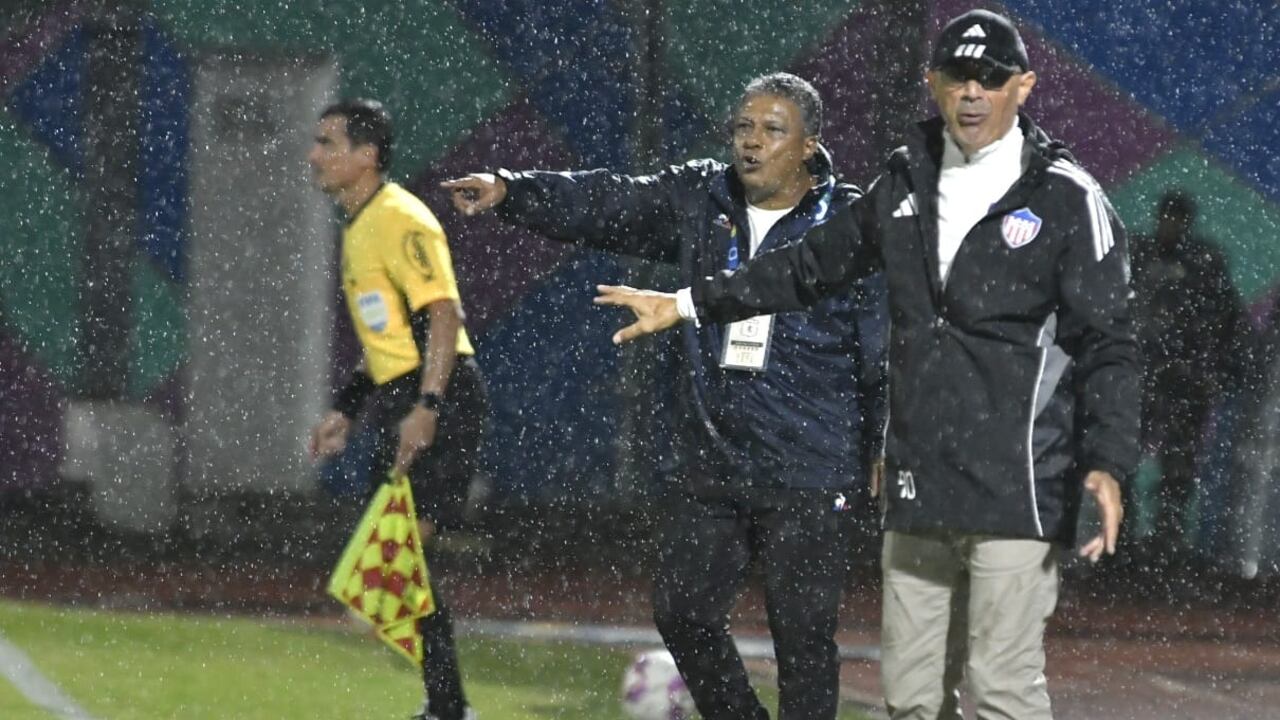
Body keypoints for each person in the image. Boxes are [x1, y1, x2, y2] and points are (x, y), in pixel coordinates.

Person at [594, 10, 1139, 720]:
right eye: (958, 77)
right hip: (919, 490)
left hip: (1021, 486)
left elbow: (1111, 342)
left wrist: (1107, 461)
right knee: (910, 701)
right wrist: (692, 303)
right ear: (932, 84)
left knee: (1002, 693)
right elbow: (806, 268)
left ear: (1024, 87)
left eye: (991, 78)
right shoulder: (904, 184)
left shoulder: (1068, 197)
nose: (973, 92)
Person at [443, 73, 886, 720]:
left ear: (810, 146)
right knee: (682, 613)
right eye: (742, 128)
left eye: (771, 130)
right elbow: (609, 200)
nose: (751, 143)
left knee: (803, 639)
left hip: (809, 462)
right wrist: (514, 191)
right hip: (716, 454)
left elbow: (879, 348)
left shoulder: (849, 222)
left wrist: (880, 440)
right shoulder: (701, 198)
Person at [306, 98, 486, 720]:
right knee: (402, 565)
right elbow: (388, 338)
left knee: (396, 561)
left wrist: (429, 405)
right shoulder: (359, 225)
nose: (315, 154)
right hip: (400, 396)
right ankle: (445, 705)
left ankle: (448, 706)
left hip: (439, 396)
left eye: (328, 143)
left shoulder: (401, 218)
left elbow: (443, 314)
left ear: (367, 157)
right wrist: (347, 408)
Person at [1130, 190, 1246, 560]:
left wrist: (1221, 370)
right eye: (1167, 217)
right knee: (1121, 458)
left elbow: (1227, 318)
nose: (1170, 226)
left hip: (1184, 378)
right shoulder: (1139, 254)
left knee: (1178, 464)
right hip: (1142, 374)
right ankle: (1120, 535)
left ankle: (1168, 537)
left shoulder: (1203, 262)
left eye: (1177, 219)